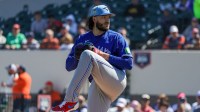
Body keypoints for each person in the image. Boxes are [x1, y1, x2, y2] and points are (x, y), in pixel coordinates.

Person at [51, 5, 133, 112]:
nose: (107, 20)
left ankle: (70, 100)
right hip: (97, 84)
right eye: (103, 17)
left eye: (108, 17)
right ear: (94, 19)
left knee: (88, 54)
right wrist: (76, 57)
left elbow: (129, 63)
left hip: (116, 80)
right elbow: (68, 66)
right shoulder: (82, 38)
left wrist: (100, 54)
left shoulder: (116, 37)